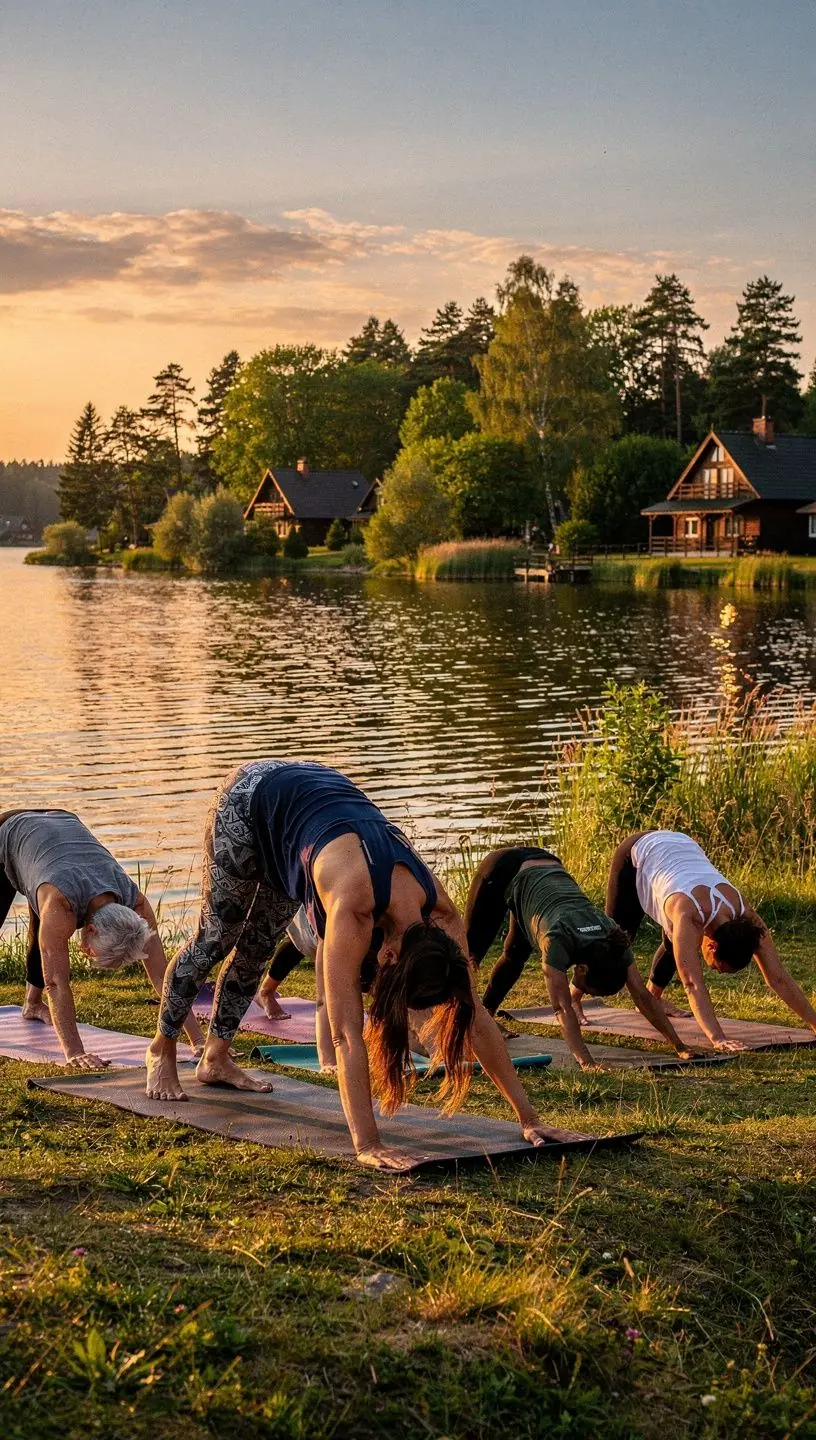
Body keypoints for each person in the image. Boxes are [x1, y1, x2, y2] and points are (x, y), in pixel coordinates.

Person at [146, 760, 561, 1169]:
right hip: (254, 800)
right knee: (216, 938)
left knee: (257, 946)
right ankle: (160, 1051)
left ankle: (215, 1059)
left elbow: (475, 1014)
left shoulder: (443, 915)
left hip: (312, 817)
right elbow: (346, 1035)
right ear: (388, 955)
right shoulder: (353, 909)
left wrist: (530, 1120)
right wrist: (368, 1143)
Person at [0, 808, 205, 1067]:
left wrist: (199, 1040)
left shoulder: (136, 904)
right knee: (47, 930)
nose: (87, 954)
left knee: (45, 924)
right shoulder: (60, 904)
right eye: (92, 952)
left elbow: (163, 974)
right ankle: (33, 1002)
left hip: (59, 827)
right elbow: (56, 982)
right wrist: (74, 1052)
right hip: (10, 831)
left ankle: (32, 1005)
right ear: (92, 930)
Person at [464, 845, 697, 1069]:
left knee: (516, 953)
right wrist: (586, 1062)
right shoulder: (557, 939)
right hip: (502, 868)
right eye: (587, 991)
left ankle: (485, 1018)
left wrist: (679, 1045)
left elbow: (643, 996)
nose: (581, 995)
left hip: (547, 865)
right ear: (582, 968)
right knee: (468, 956)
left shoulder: (613, 937)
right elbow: (562, 1008)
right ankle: (457, 1022)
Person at [606, 830, 816, 1050]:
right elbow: (692, 983)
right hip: (639, 852)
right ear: (712, 945)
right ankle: (574, 998)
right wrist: (718, 1038)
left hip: (680, 847)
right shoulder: (690, 915)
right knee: (614, 940)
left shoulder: (747, 917)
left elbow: (778, 978)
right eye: (718, 967)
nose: (715, 971)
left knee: (677, 943)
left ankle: (652, 998)